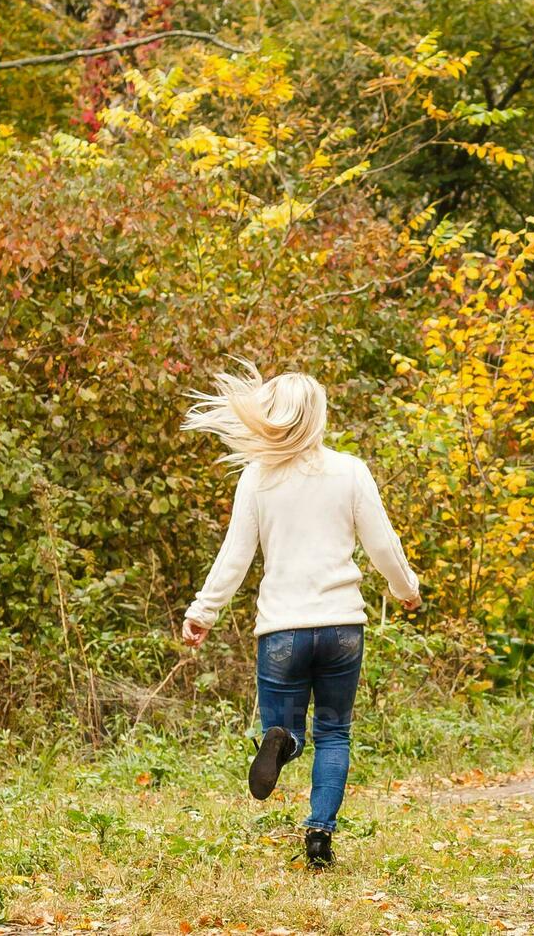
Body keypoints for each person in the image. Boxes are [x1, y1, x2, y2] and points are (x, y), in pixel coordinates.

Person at [178, 363, 421, 868]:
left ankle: (282, 741)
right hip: (341, 629)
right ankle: (319, 837)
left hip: (283, 631)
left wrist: (203, 611)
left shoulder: (257, 479)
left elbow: (235, 555)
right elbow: (383, 544)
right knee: (335, 733)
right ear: (318, 416)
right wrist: (407, 590)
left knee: (289, 729)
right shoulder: (350, 471)